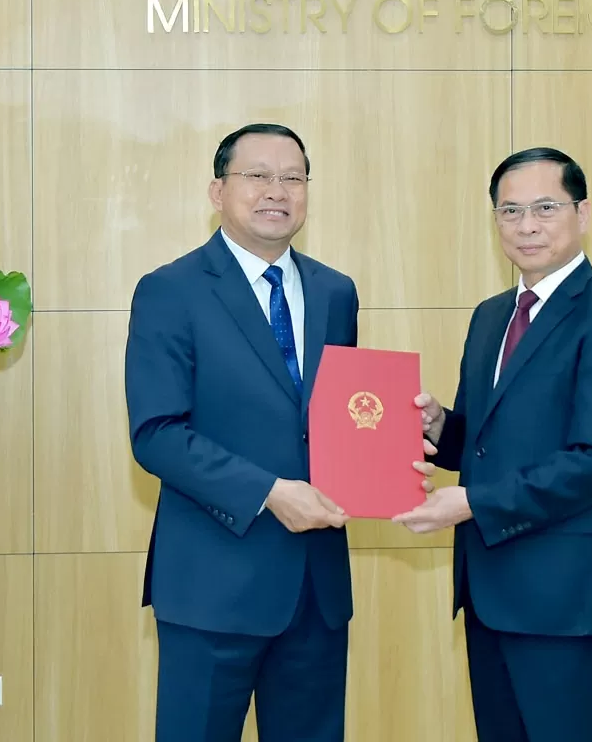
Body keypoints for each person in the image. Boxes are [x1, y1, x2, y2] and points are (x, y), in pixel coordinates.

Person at [393, 146, 592, 742]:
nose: (526, 225)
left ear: (582, 213)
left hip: (565, 599)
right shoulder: (491, 316)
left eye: (545, 207)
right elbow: (486, 444)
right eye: (510, 211)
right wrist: (439, 427)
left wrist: (471, 503)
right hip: (488, 589)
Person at [125, 123, 360, 742]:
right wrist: (270, 492)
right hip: (211, 585)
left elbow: (336, 421)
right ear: (217, 191)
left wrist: (385, 445)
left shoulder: (336, 292)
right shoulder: (169, 291)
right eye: (256, 175)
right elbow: (157, 433)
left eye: (292, 177)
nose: (276, 190)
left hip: (315, 588)